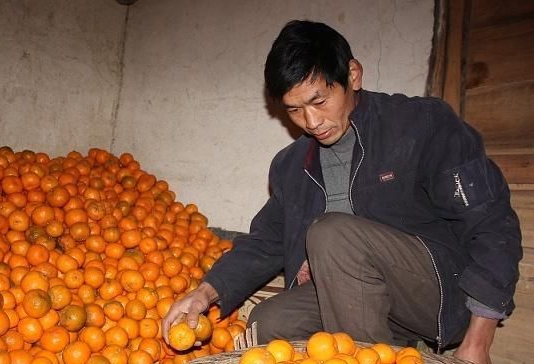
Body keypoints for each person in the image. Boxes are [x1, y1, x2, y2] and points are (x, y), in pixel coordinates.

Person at [161, 20, 522, 364]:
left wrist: (479, 340)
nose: (311, 122)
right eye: (295, 110)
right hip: (358, 299)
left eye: (319, 101)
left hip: (441, 294)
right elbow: (265, 241)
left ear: (352, 75)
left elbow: (492, 222)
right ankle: (389, 346)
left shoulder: (420, 124)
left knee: (331, 234)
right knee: (269, 321)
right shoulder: (291, 165)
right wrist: (204, 293)